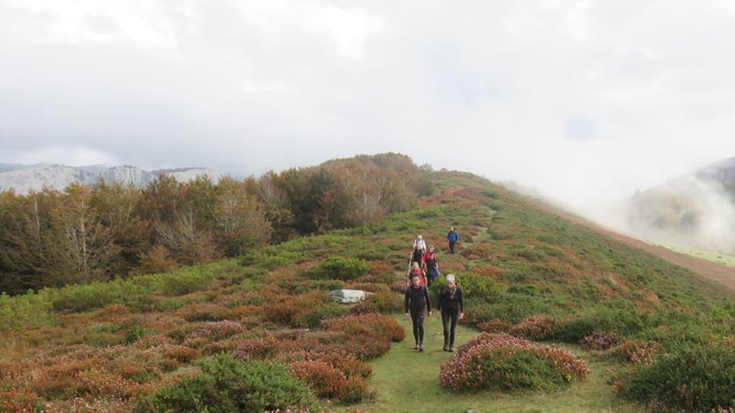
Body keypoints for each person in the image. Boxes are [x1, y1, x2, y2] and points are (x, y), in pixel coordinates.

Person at [436, 274, 464, 352]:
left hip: (455, 310)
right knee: (446, 328)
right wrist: (438, 310)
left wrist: (462, 312)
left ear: (454, 282)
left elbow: (461, 301)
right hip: (445, 310)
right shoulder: (443, 289)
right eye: (448, 283)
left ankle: (451, 345)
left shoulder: (458, 290)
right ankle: (446, 344)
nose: (449, 285)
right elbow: (440, 300)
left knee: (452, 329)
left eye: (451, 283)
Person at [405, 273, 431, 352]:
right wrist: (406, 311)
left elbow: (428, 298)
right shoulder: (409, 289)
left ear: (419, 280)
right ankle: (417, 342)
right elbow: (406, 301)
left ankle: (421, 343)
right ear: (412, 281)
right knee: (415, 326)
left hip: (422, 309)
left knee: (420, 325)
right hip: (413, 309)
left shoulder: (423, 288)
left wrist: (429, 310)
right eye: (414, 280)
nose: (416, 282)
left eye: (417, 280)